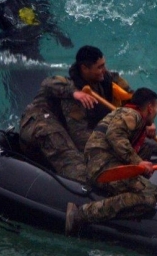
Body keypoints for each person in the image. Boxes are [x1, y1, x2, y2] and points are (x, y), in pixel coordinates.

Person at [65, 88, 157, 235]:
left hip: (108, 164)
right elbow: (114, 135)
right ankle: (82, 214)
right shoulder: (132, 115)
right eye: (156, 108)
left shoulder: (127, 114)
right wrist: (138, 162)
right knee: (147, 199)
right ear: (149, 108)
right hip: (104, 168)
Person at [18, 46, 132, 182]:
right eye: (99, 67)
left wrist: (144, 121)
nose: (104, 70)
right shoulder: (73, 95)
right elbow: (80, 138)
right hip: (42, 123)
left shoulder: (106, 79)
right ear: (85, 68)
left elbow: (133, 98)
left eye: (104, 65)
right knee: (75, 165)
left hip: (64, 126)